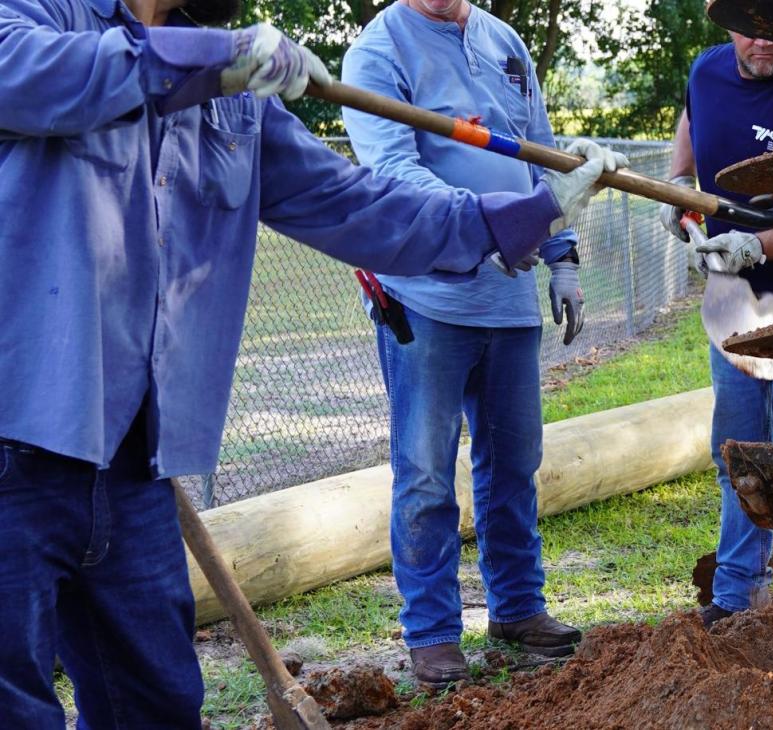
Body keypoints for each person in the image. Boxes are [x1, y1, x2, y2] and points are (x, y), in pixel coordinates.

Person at [0, 0, 621, 724]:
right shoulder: (40, 18)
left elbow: (354, 204)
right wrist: (210, 56)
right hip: (17, 446)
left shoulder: (238, 103)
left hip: (137, 463)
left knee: (159, 704)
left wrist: (521, 215)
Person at [340, 0, 619, 688]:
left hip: (508, 298)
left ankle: (517, 608)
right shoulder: (378, 53)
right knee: (427, 474)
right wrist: (486, 231)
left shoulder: (504, 41)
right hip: (425, 296)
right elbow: (395, 176)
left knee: (513, 464)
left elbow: (541, 154)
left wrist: (562, 257)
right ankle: (433, 635)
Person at [660, 33, 773, 628]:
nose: (763, 38)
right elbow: (692, 119)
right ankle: (739, 591)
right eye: (750, 20)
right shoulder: (707, 69)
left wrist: (756, 245)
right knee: (737, 449)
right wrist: (678, 182)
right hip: (732, 306)